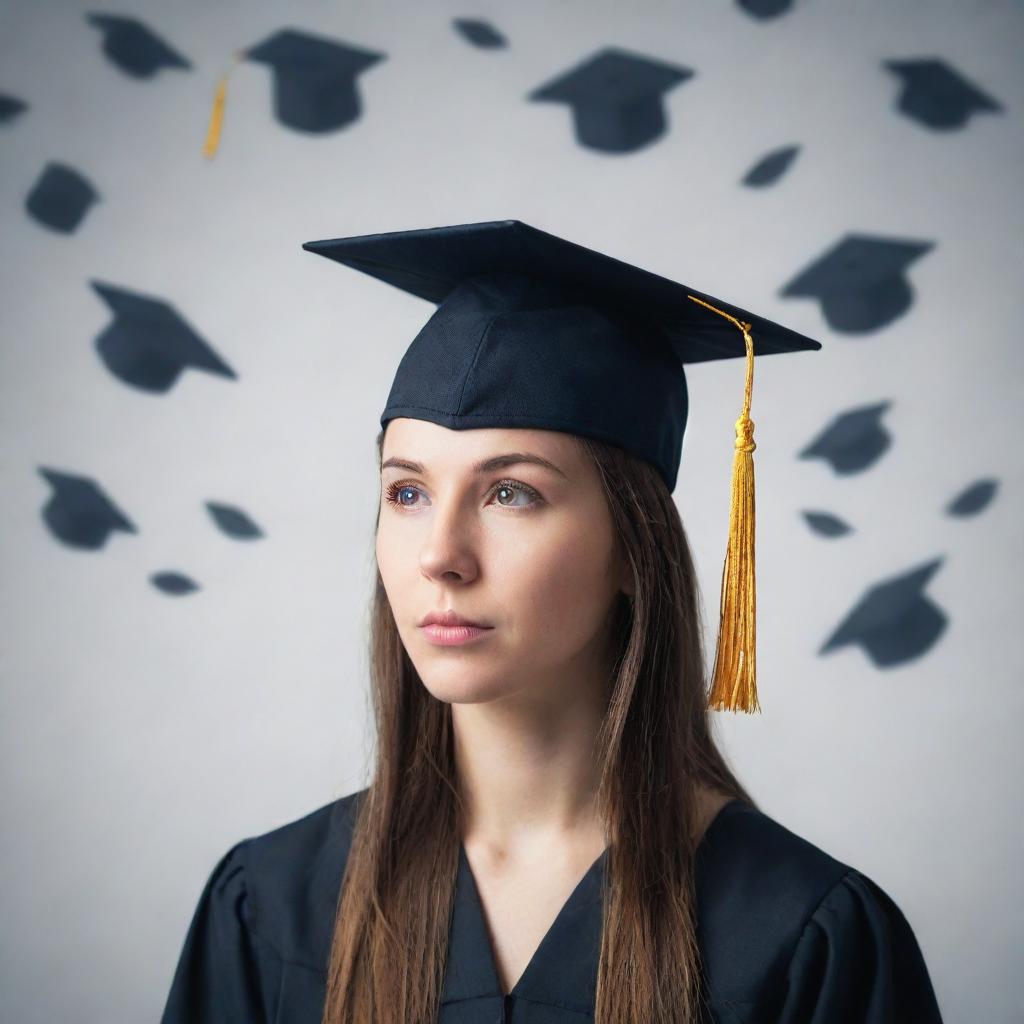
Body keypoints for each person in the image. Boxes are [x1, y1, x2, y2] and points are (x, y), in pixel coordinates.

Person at [160, 220, 944, 1023]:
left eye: (512, 493)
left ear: (634, 550)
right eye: (407, 492)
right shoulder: (271, 907)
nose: (441, 555)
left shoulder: (803, 935)